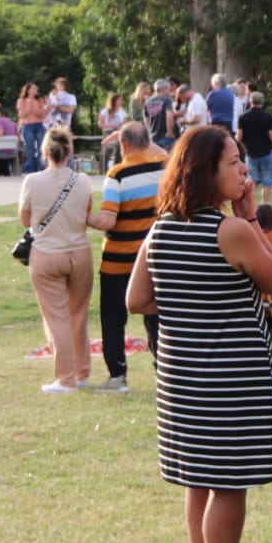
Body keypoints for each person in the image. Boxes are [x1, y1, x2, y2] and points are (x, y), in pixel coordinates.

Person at [125, 125, 272, 543]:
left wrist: (187, 305)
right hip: (229, 378)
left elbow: (137, 299)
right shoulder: (231, 230)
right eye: (234, 162)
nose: (243, 169)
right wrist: (250, 219)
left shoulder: (162, 228)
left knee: (198, 478)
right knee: (229, 483)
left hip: (180, 376)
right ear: (206, 173)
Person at [86, 121, 167, 391]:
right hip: (155, 258)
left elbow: (108, 220)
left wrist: (86, 217)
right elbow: (159, 149)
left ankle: (117, 375)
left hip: (119, 261)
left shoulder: (117, 174)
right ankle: (163, 371)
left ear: (123, 145)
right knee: (156, 316)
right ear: (147, 142)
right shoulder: (163, 166)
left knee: (112, 317)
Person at [18, 126, 96, 393]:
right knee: (78, 314)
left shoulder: (32, 181)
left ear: (45, 152)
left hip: (47, 254)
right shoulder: (83, 181)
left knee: (57, 318)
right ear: (70, 151)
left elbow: (26, 219)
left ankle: (65, 378)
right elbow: (87, 213)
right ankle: (81, 371)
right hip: (79, 253)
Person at [235, 92, 272, 203]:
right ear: (262, 102)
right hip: (266, 153)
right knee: (267, 181)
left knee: (252, 181)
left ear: (250, 102)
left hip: (251, 153)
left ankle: (251, 204)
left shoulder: (243, 118)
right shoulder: (268, 117)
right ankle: (265, 204)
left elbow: (239, 137)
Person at [18, 82, 49, 173]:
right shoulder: (22, 101)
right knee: (30, 148)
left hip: (39, 125)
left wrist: (34, 108)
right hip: (27, 125)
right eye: (33, 89)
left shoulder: (39, 100)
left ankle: (41, 168)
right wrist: (29, 106)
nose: (35, 90)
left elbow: (41, 114)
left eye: (36, 89)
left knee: (41, 148)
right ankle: (29, 169)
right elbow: (22, 115)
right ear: (28, 90)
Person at [143, 79, 177, 151]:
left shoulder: (148, 102)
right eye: (168, 89)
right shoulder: (167, 100)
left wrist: (151, 130)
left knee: (158, 160)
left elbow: (146, 119)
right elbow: (169, 116)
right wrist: (169, 131)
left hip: (154, 137)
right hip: (165, 136)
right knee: (170, 159)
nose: (169, 91)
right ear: (164, 89)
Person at [98, 92, 127, 168]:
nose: (121, 102)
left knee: (120, 144)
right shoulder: (105, 111)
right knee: (107, 151)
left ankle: (117, 165)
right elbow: (100, 124)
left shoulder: (122, 112)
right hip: (108, 132)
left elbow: (125, 124)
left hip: (119, 132)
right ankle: (103, 167)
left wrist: (121, 126)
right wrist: (111, 125)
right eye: (119, 100)